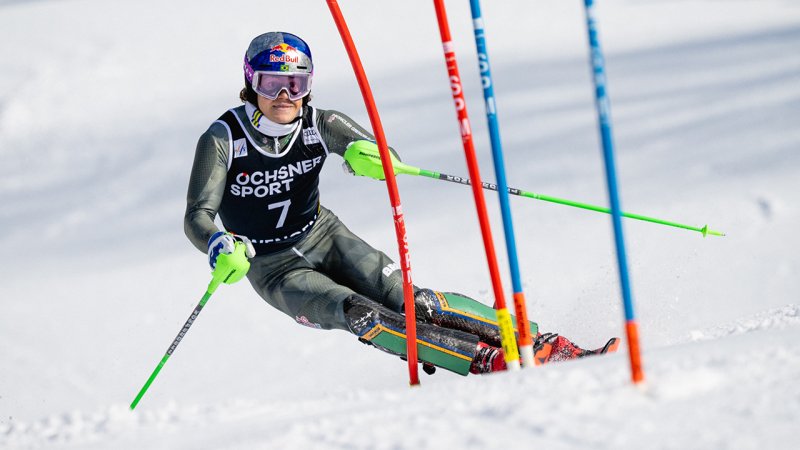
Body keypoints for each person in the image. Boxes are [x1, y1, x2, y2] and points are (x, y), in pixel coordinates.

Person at [184, 31, 615, 377]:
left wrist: (375, 158)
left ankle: (547, 346)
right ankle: (490, 364)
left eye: (295, 84)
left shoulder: (321, 123)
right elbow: (197, 215)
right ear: (251, 84)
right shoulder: (224, 138)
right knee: (360, 313)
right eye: (271, 83)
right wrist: (219, 243)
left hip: (324, 235)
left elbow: (381, 154)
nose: (284, 96)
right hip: (272, 265)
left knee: (413, 301)